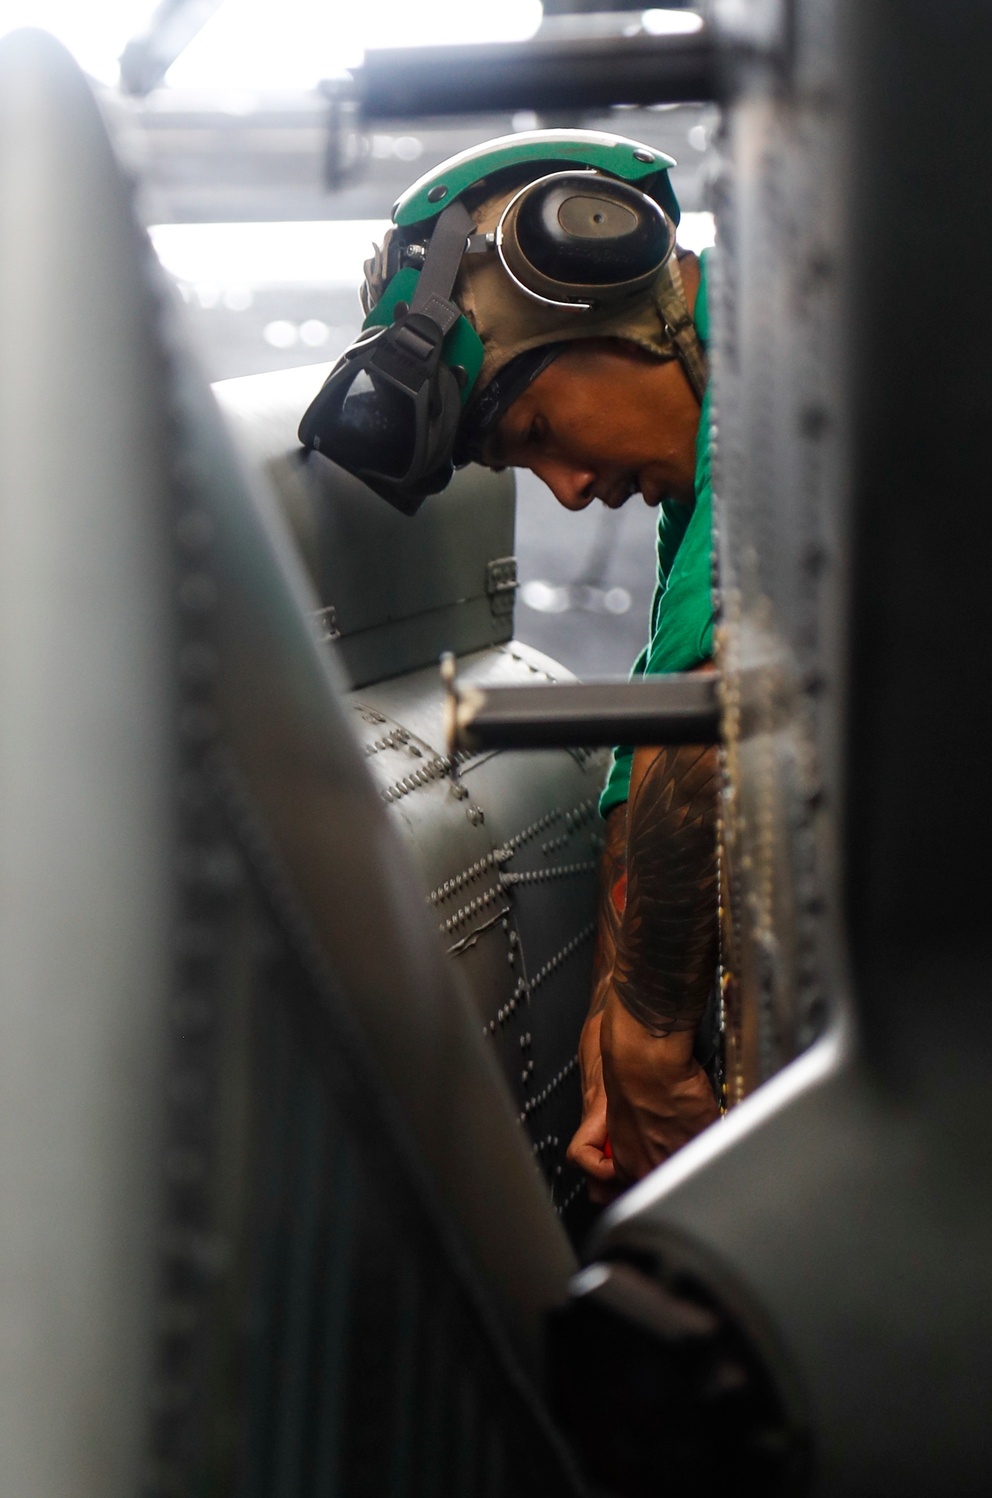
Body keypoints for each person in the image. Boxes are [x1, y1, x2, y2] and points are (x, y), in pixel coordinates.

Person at [299, 128, 721, 1199]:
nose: (571, 491)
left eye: (534, 424)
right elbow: (656, 734)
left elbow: (719, 706)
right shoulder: (702, 496)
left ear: (607, 277)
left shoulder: (804, 402)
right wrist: (607, 1017)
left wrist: (651, 1036)